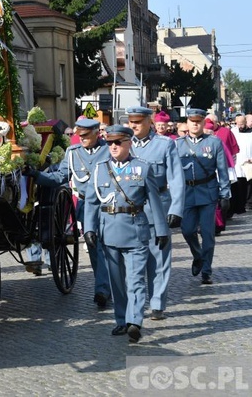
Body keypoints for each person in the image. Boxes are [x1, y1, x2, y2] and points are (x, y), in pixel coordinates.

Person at [83, 125, 168, 343]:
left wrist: (161, 229)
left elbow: (155, 202)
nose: (113, 146)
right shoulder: (100, 169)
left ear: (129, 143)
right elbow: (91, 203)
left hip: (136, 232)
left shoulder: (143, 168)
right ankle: (121, 320)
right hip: (109, 232)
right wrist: (89, 229)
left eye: (118, 142)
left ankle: (135, 322)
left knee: (136, 280)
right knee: (117, 282)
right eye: (110, 142)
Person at [25, 118, 111, 307]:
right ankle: (103, 289)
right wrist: (37, 176)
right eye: (79, 136)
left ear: (97, 133)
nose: (82, 139)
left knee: (108, 247)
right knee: (96, 246)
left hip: (108, 204)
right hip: (85, 205)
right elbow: (60, 176)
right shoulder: (73, 153)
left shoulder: (109, 150)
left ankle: (109, 287)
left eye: (86, 136)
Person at [126, 106, 185, 321]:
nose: (134, 125)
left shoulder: (165, 145)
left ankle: (158, 303)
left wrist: (176, 208)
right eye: (131, 121)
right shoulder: (123, 145)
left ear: (149, 122)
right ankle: (134, 303)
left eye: (138, 121)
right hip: (129, 212)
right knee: (133, 261)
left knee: (159, 259)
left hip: (157, 208)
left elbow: (176, 178)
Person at [177, 108, 231, 285]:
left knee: (208, 234)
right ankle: (197, 255)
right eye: (192, 121)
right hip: (186, 193)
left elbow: (222, 170)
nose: (195, 124)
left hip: (208, 192)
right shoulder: (178, 144)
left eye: (198, 121)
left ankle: (206, 270)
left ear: (203, 122)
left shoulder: (214, 143)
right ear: (187, 122)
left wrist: (225, 194)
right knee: (187, 230)